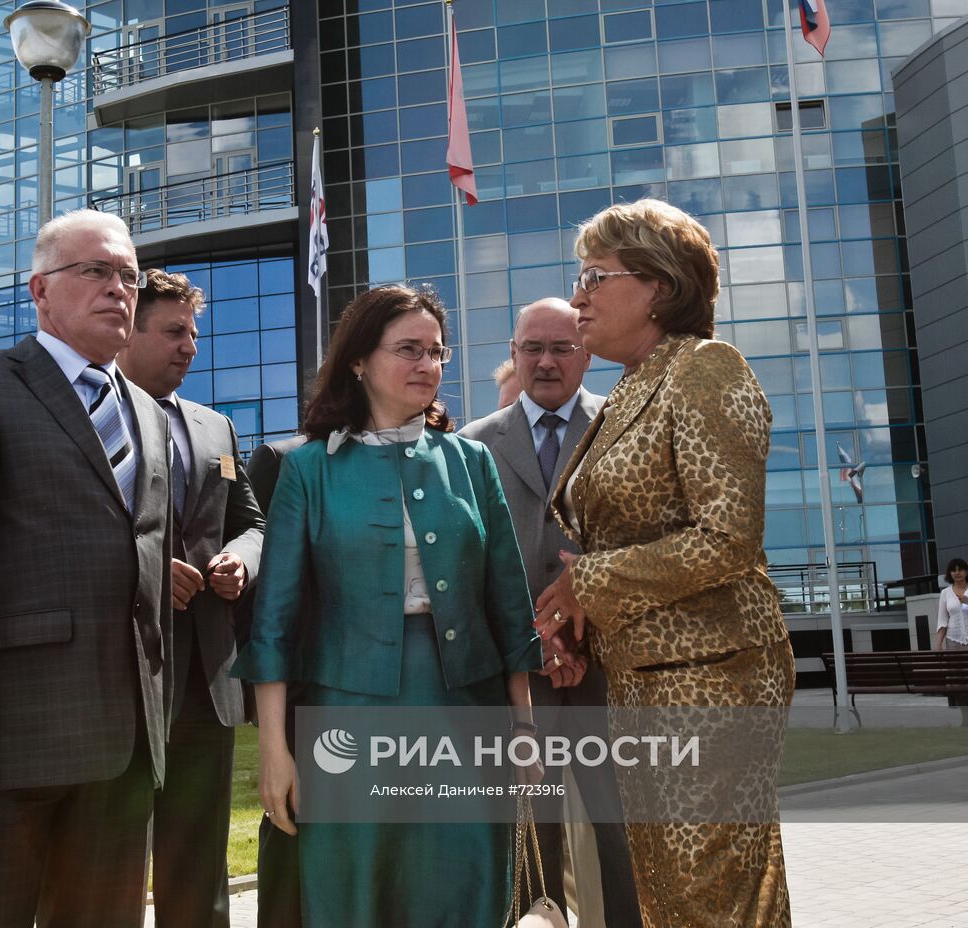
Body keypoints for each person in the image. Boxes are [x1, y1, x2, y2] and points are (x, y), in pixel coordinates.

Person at [0, 209, 172, 928]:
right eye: (96, 272)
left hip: (125, 744)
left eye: (128, 276)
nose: (118, 289)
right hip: (3, 739)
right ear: (40, 289)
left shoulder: (147, 412)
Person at [232, 283, 542, 927]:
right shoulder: (308, 470)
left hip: (467, 709)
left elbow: (509, 605)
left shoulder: (473, 463)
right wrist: (274, 750)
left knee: (462, 888)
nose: (428, 365)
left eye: (437, 351)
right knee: (355, 890)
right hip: (346, 715)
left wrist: (525, 730)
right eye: (409, 350)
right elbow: (275, 622)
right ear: (358, 361)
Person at [534, 198, 795, 928]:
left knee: (706, 892)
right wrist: (579, 618)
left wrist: (589, 581)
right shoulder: (632, 388)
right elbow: (627, 537)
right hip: (644, 677)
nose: (578, 295)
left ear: (659, 286)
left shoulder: (708, 369)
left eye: (594, 276)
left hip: (713, 678)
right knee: (668, 892)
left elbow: (727, 538)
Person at [460, 298, 642, 928]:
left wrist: (588, 617)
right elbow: (465, 572)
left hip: (610, 674)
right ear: (513, 354)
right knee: (530, 844)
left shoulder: (624, 431)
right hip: (519, 683)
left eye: (561, 347)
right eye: (531, 348)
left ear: (586, 354)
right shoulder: (471, 446)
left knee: (621, 836)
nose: (545, 361)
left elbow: (642, 547)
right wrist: (534, 639)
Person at [117, 269, 264, 928]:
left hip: (207, 679)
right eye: (175, 332)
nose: (191, 347)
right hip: (114, 679)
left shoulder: (216, 429)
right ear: (129, 332)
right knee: (108, 866)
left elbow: (252, 523)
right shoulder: (92, 419)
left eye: (194, 334)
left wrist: (241, 561)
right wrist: (145, 570)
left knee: (199, 867)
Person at [239, 434, 307, 928]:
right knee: (292, 844)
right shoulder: (281, 460)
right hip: (301, 697)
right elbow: (256, 601)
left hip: (407, 695)